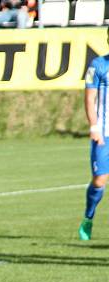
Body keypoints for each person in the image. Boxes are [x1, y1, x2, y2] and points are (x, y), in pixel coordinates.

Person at [79, 30, 109, 241]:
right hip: (104, 133)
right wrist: (94, 127)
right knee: (99, 180)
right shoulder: (97, 65)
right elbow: (90, 99)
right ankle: (88, 217)